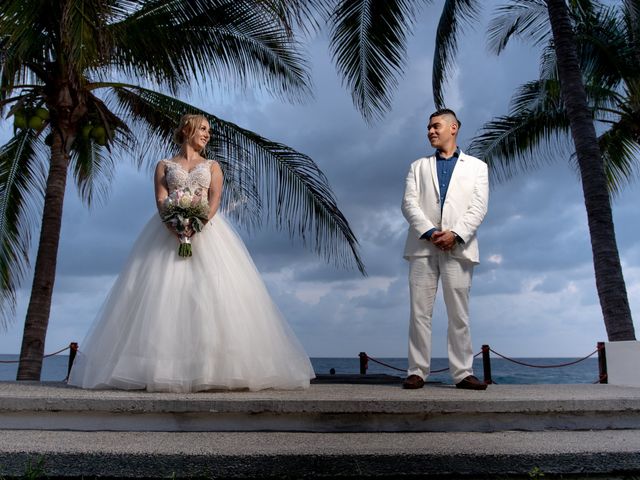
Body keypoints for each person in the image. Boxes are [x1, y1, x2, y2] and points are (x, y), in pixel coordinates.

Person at [68, 114, 315, 392]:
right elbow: (161, 199)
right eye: (203, 129)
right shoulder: (164, 165)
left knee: (213, 296)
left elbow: (215, 200)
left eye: (209, 131)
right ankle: (159, 369)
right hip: (166, 233)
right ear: (188, 129)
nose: (207, 134)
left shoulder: (212, 166)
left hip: (206, 232)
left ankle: (213, 369)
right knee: (162, 297)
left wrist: (196, 226)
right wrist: (174, 227)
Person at [401, 109, 489, 390]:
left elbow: (479, 207)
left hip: (459, 248)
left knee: (459, 314)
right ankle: (416, 371)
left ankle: (463, 373)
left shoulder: (478, 167)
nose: (430, 131)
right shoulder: (417, 166)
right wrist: (428, 232)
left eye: (436, 126)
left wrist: (456, 234)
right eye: (428, 127)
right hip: (423, 248)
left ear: (454, 128)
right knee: (419, 313)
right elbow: (409, 204)